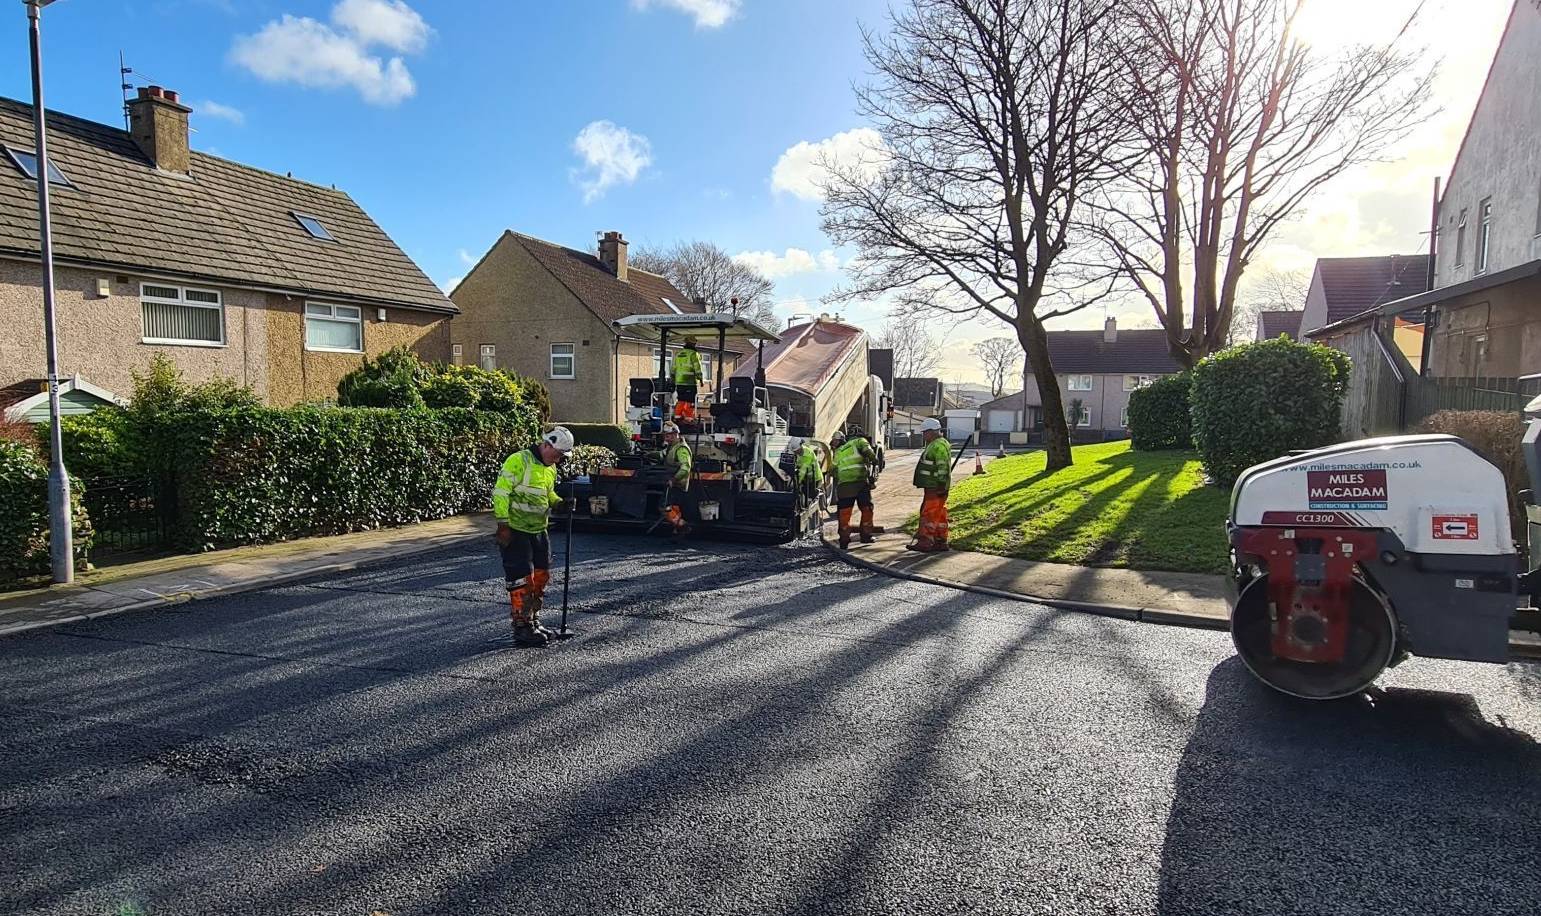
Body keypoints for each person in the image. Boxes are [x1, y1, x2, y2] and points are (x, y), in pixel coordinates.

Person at [492, 426, 575, 647]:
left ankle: (533, 619)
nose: (558, 459)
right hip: (516, 529)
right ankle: (522, 625)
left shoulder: (550, 469)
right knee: (521, 579)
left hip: (539, 529)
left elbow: (548, 494)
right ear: (546, 444)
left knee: (541, 576)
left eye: (561, 457)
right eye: (557, 454)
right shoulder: (518, 460)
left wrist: (560, 503)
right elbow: (501, 492)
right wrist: (502, 524)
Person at [833, 426, 879, 548]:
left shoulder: (839, 450)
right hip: (860, 483)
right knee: (866, 509)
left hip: (844, 486)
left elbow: (834, 470)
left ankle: (844, 540)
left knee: (844, 513)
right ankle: (866, 536)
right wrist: (874, 461)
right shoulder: (860, 441)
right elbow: (870, 454)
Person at [910, 417, 951, 552]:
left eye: (925, 432)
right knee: (938, 514)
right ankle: (940, 541)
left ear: (932, 431)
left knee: (929, 513)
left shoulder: (938, 445)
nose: (923, 435)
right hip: (934, 486)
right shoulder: (935, 444)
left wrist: (941, 485)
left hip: (935, 486)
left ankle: (925, 541)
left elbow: (942, 466)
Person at [656, 421, 693, 534]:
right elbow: (663, 454)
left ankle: (682, 525)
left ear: (675, 434)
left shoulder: (682, 449)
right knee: (674, 508)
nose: (666, 439)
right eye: (665, 436)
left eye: (667, 436)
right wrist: (652, 454)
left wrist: (674, 479)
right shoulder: (672, 447)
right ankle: (677, 531)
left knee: (664, 507)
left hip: (677, 484)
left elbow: (685, 468)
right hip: (673, 483)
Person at [672, 337, 705, 424]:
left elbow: (673, 368)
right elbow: (697, 368)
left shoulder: (678, 354)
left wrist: (673, 379)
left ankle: (677, 416)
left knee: (681, 399)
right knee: (691, 400)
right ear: (693, 344)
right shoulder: (694, 354)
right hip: (690, 382)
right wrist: (701, 379)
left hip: (679, 382)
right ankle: (689, 418)